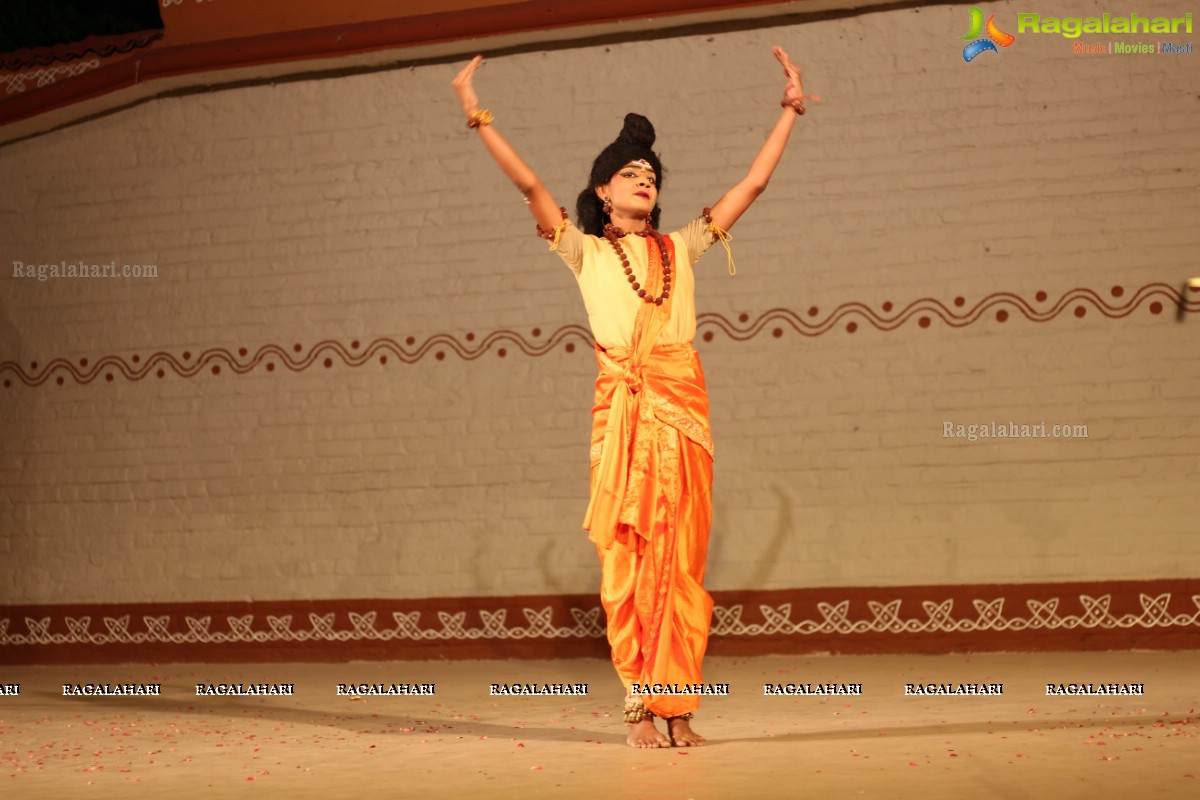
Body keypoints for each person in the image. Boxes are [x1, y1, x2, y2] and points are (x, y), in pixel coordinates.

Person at [452, 47, 807, 748]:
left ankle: (679, 708)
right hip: (624, 415)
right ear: (602, 191)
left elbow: (754, 185)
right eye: (629, 174)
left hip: (682, 416)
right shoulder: (583, 250)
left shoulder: (684, 246)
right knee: (629, 560)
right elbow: (527, 184)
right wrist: (475, 112)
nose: (643, 181)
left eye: (650, 175)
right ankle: (642, 709)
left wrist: (790, 110)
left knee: (680, 561)